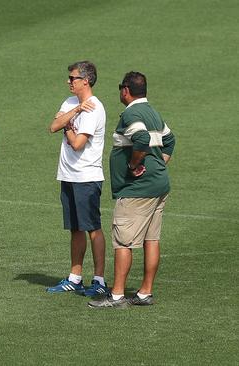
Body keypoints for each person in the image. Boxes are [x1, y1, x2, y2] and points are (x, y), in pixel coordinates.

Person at [88, 71, 176, 308]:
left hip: (137, 190)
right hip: (158, 186)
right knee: (151, 239)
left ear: (125, 90)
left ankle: (116, 296)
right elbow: (169, 140)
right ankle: (145, 292)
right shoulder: (152, 112)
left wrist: (134, 164)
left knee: (123, 242)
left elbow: (141, 138)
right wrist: (159, 164)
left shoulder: (133, 113)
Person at [46, 61, 108, 297]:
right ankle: (75, 277)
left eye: (72, 78)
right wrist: (73, 114)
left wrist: (68, 126)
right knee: (74, 228)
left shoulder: (94, 108)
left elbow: (77, 143)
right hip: (68, 174)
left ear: (86, 80)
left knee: (92, 227)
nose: (68, 81)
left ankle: (99, 280)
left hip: (87, 176)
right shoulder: (72, 102)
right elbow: (53, 125)